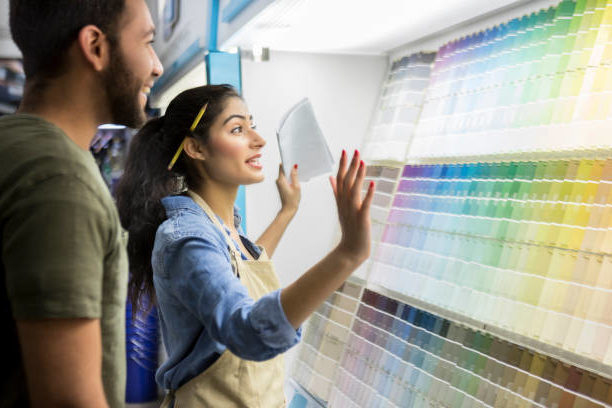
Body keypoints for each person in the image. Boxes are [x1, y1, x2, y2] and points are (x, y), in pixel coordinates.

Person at [115, 84, 374, 407]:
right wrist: (348, 255)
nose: (259, 140)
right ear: (196, 148)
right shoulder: (186, 238)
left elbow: (238, 272)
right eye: (238, 128)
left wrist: (287, 212)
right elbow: (248, 333)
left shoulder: (218, 227)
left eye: (253, 125)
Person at [0, 0, 163, 406]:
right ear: (95, 46)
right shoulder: (61, 180)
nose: (157, 66)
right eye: (147, 42)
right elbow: (67, 400)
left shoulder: (15, 147)